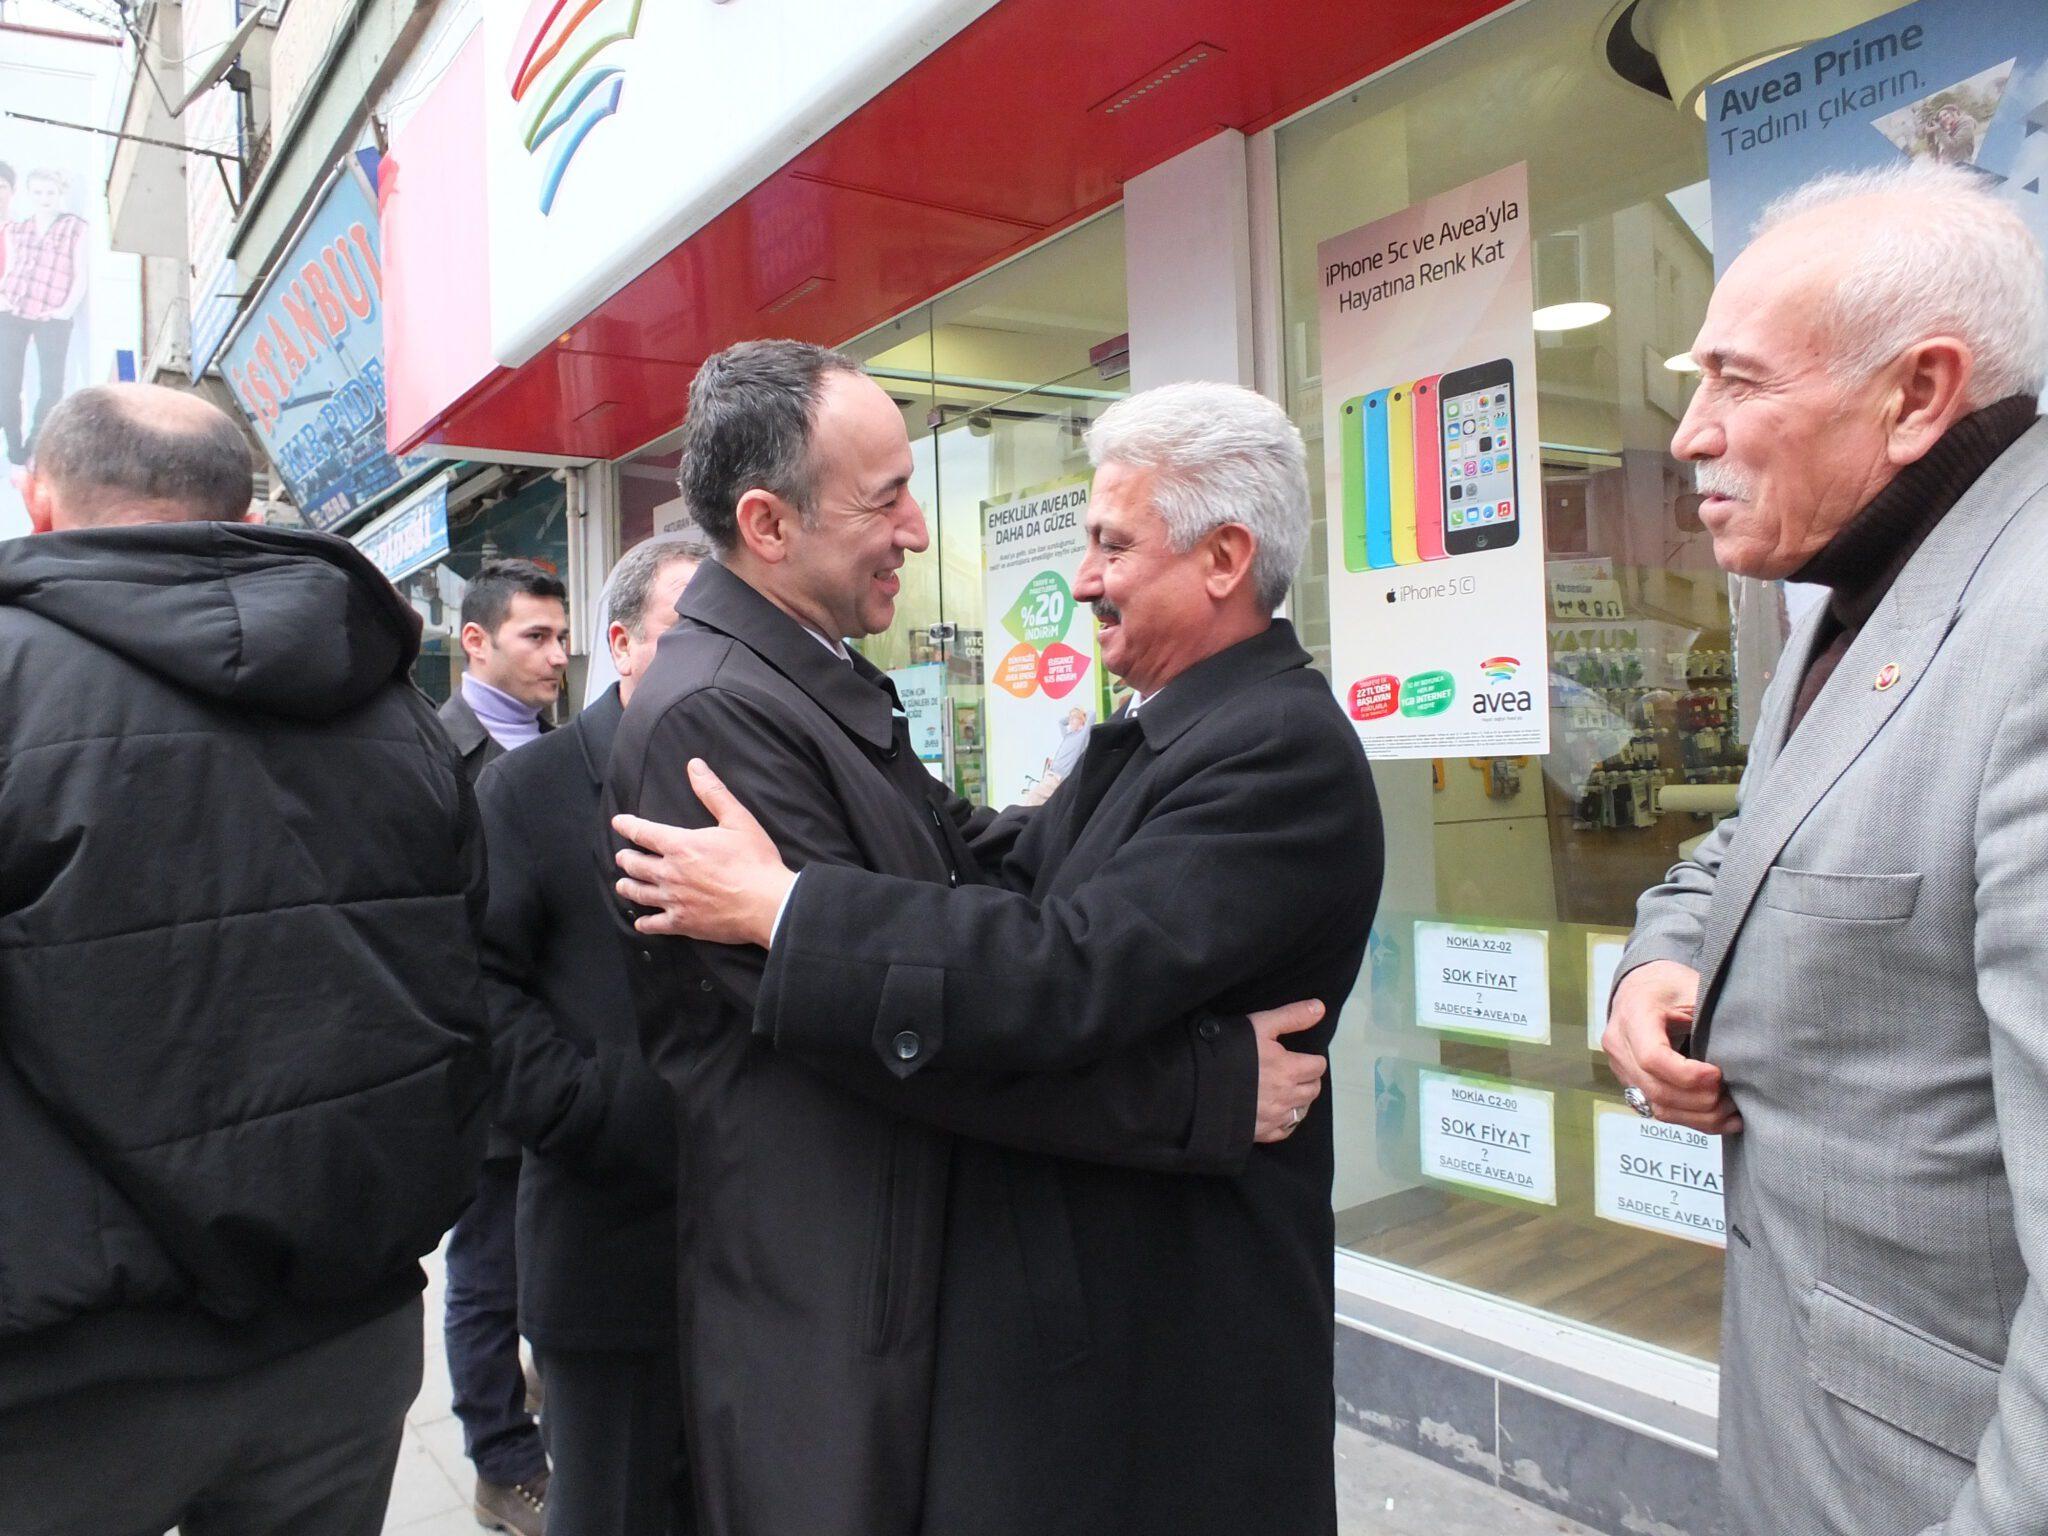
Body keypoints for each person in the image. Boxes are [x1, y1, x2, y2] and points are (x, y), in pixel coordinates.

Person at [614, 378, 1384, 1536]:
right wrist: (1198, 1085)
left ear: (1224, 558)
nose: (1080, 579)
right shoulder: (726, 710)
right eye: (885, 499)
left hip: (1182, 1335)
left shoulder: (1273, 749)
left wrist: (789, 909)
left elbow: (1058, 969)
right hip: (1061, 1322)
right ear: (771, 524)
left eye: (1109, 543)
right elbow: (991, 897)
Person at [1603, 161, 2048, 1536]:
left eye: (1738, 383)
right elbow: (1764, 833)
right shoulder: (1855, 600)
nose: (1689, 435)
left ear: (1916, 395)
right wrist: (1658, 963)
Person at [0, 384, 489, 1535]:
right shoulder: (391, 700)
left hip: (70, 1375)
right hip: (340, 1336)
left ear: (43, 500)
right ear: (243, 512)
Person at [476, 532, 707, 1536]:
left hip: (767, 1251)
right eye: (689, 634)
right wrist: (601, 1107)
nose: (718, 660)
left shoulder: (760, 773)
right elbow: (477, 993)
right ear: (620, 642)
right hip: (609, 1249)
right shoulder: (528, 791)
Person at [436, 557, 570, 1533]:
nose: (557, 657)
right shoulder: (429, 758)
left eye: (562, 637)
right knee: (486, 1276)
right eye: (536, 637)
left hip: (562, 1056)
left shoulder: (562, 747)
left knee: (545, 1258)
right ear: (474, 641)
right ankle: (500, 1460)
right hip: (481, 1068)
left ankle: (543, 1416)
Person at [0, 168, 88, 465]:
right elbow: (11, 267)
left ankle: (36, 441)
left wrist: (64, 311)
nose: (44, 198)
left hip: (53, 314)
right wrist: (2, 298)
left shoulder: (75, 227)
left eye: (50, 192)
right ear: (29, 193)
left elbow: (80, 274)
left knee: (52, 384)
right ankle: (14, 442)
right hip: (15, 309)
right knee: (7, 380)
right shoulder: (16, 230)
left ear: (59, 193)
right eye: (38, 192)